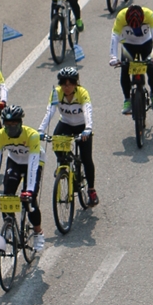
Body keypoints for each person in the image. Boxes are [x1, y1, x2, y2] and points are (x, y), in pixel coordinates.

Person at [0, 104, 45, 249]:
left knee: (29, 200)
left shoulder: (31, 135)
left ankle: (38, 233)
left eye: (14, 124)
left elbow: (32, 165)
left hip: (33, 162)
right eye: (7, 124)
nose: (11, 127)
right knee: (6, 196)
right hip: (15, 161)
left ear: (20, 123)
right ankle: (9, 225)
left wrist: (30, 190)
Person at [39, 66, 97, 205]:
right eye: (64, 83)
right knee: (56, 143)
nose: (67, 87)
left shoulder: (82, 93)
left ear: (76, 83)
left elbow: (87, 111)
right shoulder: (56, 93)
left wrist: (88, 128)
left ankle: (91, 190)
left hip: (82, 126)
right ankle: (64, 166)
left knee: (86, 158)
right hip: (65, 123)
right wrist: (41, 130)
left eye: (70, 83)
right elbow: (50, 112)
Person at [109, 2, 153, 113]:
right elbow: (114, 37)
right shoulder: (121, 16)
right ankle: (127, 99)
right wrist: (113, 57)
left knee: (152, 69)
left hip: (146, 43)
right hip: (128, 45)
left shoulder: (149, 14)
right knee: (124, 70)